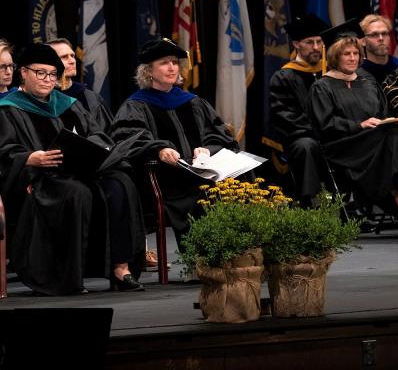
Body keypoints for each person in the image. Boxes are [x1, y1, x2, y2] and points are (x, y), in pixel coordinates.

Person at [0, 43, 145, 294]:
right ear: (23, 73)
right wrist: (30, 158)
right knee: (76, 192)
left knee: (119, 182)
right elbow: (4, 151)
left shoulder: (68, 103)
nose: (48, 80)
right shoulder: (9, 108)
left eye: (52, 75)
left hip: (83, 170)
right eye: (41, 73)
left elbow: (98, 134)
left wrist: (94, 149)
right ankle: (67, 276)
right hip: (41, 177)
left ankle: (121, 269)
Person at [308, 26, 398, 238]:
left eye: (356, 53)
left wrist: (388, 121)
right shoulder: (323, 86)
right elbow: (325, 124)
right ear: (335, 56)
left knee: (393, 134)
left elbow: (383, 112)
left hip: (375, 143)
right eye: (346, 54)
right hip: (344, 147)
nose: (352, 58)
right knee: (390, 139)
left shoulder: (367, 82)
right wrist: (359, 125)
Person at [111, 38, 237, 246]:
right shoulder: (136, 105)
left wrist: (207, 149)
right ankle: (202, 258)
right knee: (200, 189)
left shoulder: (193, 101)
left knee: (242, 180)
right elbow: (128, 140)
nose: (172, 67)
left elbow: (220, 135)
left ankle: (240, 253)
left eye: (175, 62)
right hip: (164, 175)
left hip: (202, 167)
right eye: (164, 62)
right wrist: (158, 149)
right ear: (148, 71)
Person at [267, 14, 334, 202]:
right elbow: (285, 116)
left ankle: (354, 203)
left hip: (333, 134)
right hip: (301, 137)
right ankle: (310, 203)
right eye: (309, 42)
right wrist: (321, 129)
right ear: (296, 44)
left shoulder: (330, 72)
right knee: (308, 146)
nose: (315, 47)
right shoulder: (283, 77)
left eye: (319, 41)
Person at [47, 37, 113, 131]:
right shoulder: (39, 99)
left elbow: (107, 136)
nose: (72, 61)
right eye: (64, 57)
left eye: (72, 56)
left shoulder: (91, 98)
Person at [360, 14, 398, 84]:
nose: (381, 38)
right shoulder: (358, 75)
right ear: (363, 41)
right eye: (374, 35)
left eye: (384, 33)